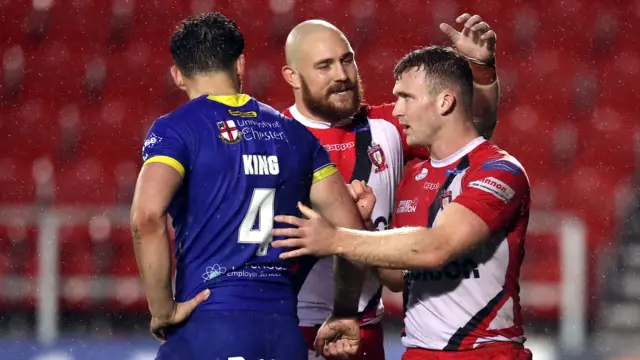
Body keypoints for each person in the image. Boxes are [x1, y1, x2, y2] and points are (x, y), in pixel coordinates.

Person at [129, 12, 366, 360]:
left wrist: (162, 309)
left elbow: (146, 217)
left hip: (208, 325)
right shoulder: (296, 136)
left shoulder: (176, 129)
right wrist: (344, 310)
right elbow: (350, 235)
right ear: (240, 64)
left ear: (178, 76)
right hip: (282, 333)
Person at [272, 45, 533, 360]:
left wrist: (336, 238)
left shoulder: (499, 171)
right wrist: (366, 224)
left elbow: (436, 247)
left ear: (445, 101)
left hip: (484, 351)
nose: (396, 110)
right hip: (417, 352)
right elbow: (396, 278)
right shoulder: (412, 177)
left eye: (406, 98)